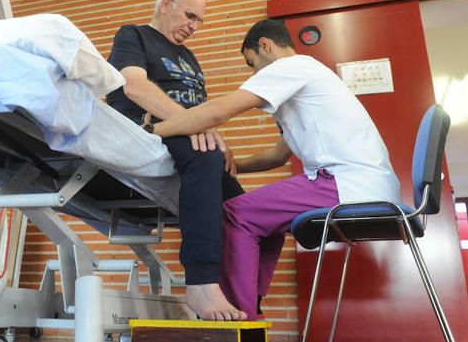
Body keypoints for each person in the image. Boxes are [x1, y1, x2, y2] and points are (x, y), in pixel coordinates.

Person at [151, 18, 402, 320]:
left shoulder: (290, 68)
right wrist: (234, 165)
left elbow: (216, 111)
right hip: (362, 183)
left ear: (265, 46)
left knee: (235, 213)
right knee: (263, 220)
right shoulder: (309, 80)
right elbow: (278, 156)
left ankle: (240, 319)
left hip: (346, 181)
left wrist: (153, 131)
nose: (254, 72)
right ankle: (250, 304)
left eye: (251, 63)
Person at [106, 0, 247, 321]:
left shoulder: (190, 58)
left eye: (199, 21)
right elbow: (134, 86)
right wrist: (196, 126)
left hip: (187, 131)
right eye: (190, 16)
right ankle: (200, 283)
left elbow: (199, 109)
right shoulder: (134, 35)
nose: (194, 27)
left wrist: (215, 135)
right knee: (204, 155)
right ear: (166, 4)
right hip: (148, 129)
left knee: (243, 207)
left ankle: (241, 292)